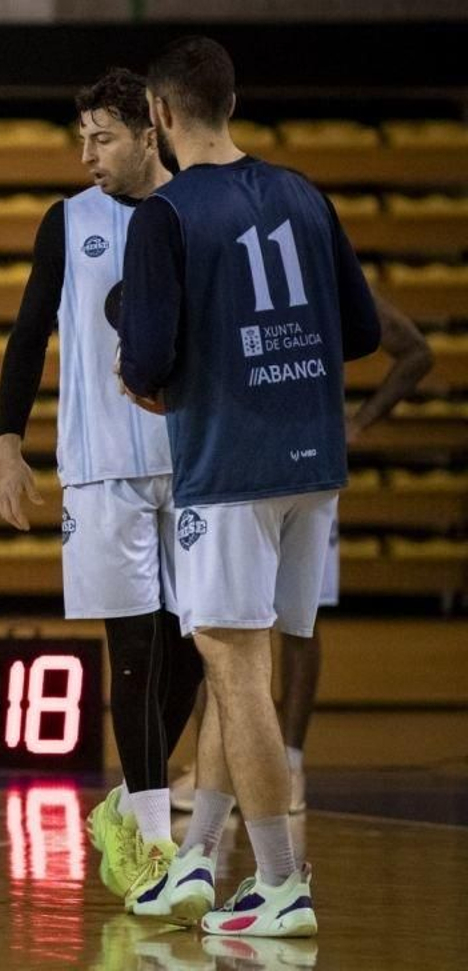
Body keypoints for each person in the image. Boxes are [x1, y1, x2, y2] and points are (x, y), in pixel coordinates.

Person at [117, 36, 380, 937]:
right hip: (316, 465)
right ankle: (199, 861)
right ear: (231, 102)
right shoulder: (305, 193)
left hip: (230, 467)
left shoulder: (167, 214)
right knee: (247, 671)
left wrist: (148, 368)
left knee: (233, 668)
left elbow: (146, 360)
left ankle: (280, 882)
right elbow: (360, 331)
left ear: (159, 117)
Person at [0, 68, 204, 911]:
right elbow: (25, 335)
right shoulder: (67, 222)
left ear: (150, 133)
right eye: (80, 138)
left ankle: (127, 800)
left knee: (194, 646)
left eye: (103, 138)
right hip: (102, 470)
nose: (87, 156)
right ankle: (152, 846)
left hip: (193, 464)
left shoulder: (196, 213)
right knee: (136, 651)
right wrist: (8, 441)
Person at [172, 294, 434, 814]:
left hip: (305, 461)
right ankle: (217, 773)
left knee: (297, 622)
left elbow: (416, 353)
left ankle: (289, 764)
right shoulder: (240, 272)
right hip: (244, 460)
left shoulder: (323, 281)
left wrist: (357, 424)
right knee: (221, 622)